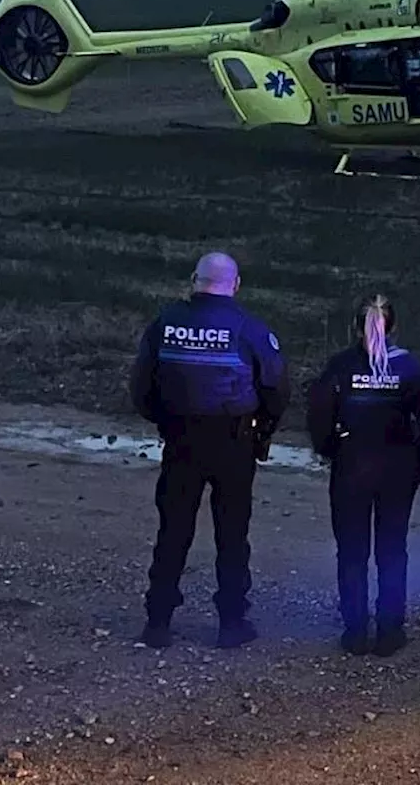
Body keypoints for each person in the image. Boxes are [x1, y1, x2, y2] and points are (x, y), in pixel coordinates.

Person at [128, 251, 290, 650]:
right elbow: (276, 387)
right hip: (233, 442)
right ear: (235, 285)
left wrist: (165, 420)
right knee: (232, 533)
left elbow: (140, 387)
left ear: (193, 280)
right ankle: (231, 623)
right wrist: (263, 429)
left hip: (181, 440)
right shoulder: (248, 329)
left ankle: (158, 621)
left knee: (173, 531)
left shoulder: (165, 324)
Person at [306, 293, 420, 657]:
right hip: (398, 467)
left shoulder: (340, 365)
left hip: (352, 466)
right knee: (392, 548)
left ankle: (354, 630)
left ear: (355, 327)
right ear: (394, 328)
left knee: (352, 549)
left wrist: (330, 449)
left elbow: (319, 416)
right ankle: (389, 629)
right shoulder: (408, 367)